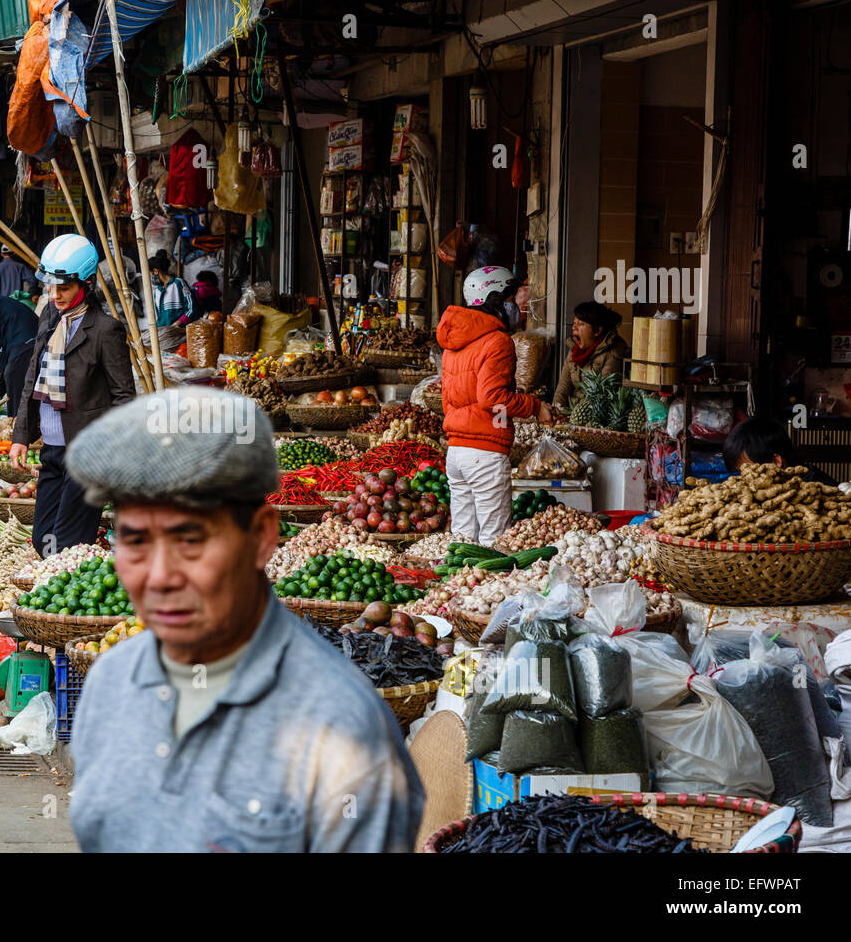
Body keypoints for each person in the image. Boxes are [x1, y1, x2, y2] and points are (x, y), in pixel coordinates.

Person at [64, 387, 425, 852]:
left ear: (261, 536)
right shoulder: (111, 682)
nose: (159, 576)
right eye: (134, 541)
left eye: (190, 540)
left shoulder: (341, 727)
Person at [9, 234, 135, 553]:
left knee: (67, 543)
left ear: (86, 283)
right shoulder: (50, 319)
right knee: (43, 540)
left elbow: (124, 397)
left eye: (63, 288)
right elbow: (31, 378)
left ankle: (60, 600)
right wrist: (20, 436)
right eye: (50, 287)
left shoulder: (106, 330)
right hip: (52, 449)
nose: (55, 295)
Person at [438, 266, 551, 547]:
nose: (515, 306)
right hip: (484, 454)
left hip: (457, 451)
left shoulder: (453, 343)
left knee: (462, 539)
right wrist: (535, 407)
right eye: (510, 299)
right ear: (495, 300)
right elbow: (492, 398)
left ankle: (459, 590)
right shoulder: (497, 341)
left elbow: (451, 397)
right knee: (493, 542)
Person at [553, 300, 631, 409]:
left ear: (597, 331)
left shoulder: (613, 354)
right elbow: (563, 388)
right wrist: (556, 409)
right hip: (574, 412)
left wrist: (574, 411)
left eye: (581, 324)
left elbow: (603, 399)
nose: (574, 327)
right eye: (574, 323)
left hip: (596, 414)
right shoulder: (575, 350)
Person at [723, 417, 838, 485]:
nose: (744, 480)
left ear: (776, 462)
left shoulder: (817, 489)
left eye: (748, 472)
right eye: (740, 473)